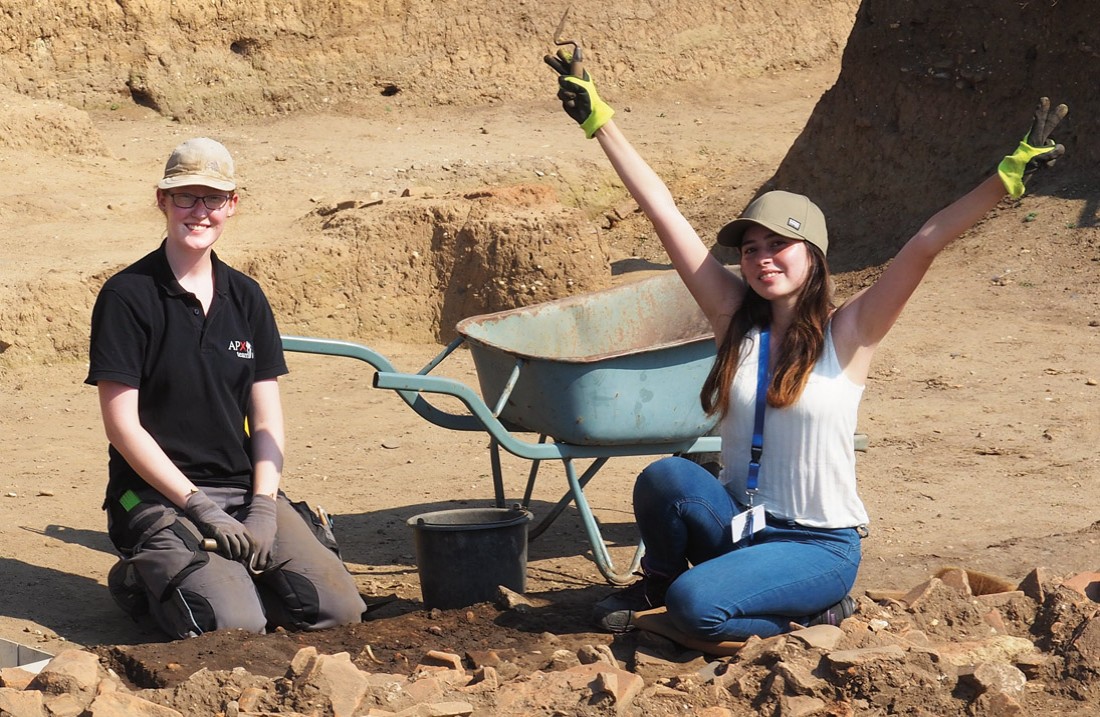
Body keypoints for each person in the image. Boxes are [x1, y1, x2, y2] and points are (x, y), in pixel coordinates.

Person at [545, 51, 1067, 640]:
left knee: (697, 608)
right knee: (667, 478)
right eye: (750, 249)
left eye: (778, 245)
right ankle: (660, 582)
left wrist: (1003, 181)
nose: (762, 259)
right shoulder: (732, 320)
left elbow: (924, 242)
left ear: (812, 255)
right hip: (745, 524)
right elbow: (662, 211)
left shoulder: (852, 332)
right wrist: (602, 124)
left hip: (818, 545)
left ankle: (811, 612)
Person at [87, 137, 366, 639]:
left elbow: (265, 419)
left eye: (213, 199)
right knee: (233, 626)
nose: (199, 211)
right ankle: (139, 579)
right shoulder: (127, 296)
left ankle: (234, 575)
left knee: (337, 611)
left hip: (242, 490)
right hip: (157, 496)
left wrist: (262, 506)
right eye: (185, 197)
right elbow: (121, 425)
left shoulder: (247, 296)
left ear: (232, 205)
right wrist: (199, 506)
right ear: (162, 201)